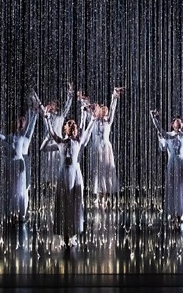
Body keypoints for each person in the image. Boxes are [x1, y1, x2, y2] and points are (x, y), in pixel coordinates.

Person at [42, 111, 97, 248]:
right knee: (64, 203)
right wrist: (47, 119)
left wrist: (86, 115)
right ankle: (65, 233)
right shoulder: (61, 142)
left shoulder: (78, 141)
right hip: (64, 175)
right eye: (71, 127)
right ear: (67, 129)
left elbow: (85, 127)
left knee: (74, 203)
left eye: (75, 128)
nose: (74, 130)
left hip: (75, 175)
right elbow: (51, 133)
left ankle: (73, 234)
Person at [0, 94, 42, 223]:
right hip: (13, 165)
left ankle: (22, 213)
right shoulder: (12, 136)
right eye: (18, 121)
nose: (20, 123)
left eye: (22, 120)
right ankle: (12, 212)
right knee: (12, 189)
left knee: (23, 189)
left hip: (21, 164)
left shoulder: (24, 137)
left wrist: (35, 112)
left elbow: (31, 128)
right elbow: (4, 139)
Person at [79, 87, 123, 202]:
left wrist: (114, 97)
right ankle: (99, 195)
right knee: (98, 171)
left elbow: (113, 109)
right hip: (96, 148)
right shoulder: (94, 120)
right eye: (102, 110)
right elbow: (87, 111)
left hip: (106, 149)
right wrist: (84, 101)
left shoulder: (108, 121)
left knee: (107, 170)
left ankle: (107, 195)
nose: (104, 111)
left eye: (105, 110)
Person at [38, 84, 74, 187]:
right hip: (47, 143)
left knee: (55, 165)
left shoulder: (60, 115)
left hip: (56, 143)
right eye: (49, 104)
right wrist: (34, 95)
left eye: (52, 104)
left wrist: (70, 94)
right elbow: (39, 105)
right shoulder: (46, 115)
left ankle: (55, 184)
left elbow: (67, 106)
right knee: (47, 165)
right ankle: (46, 185)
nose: (50, 105)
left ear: (56, 106)